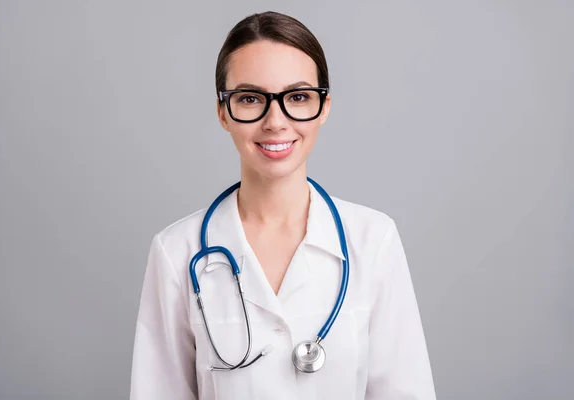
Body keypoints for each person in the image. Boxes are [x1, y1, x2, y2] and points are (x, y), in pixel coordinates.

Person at [130, 11, 436, 400]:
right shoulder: (177, 252)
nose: (275, 121)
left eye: (297, 97)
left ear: (324, 107)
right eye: (250, 98)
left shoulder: (374, 240)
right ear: (224, 112)